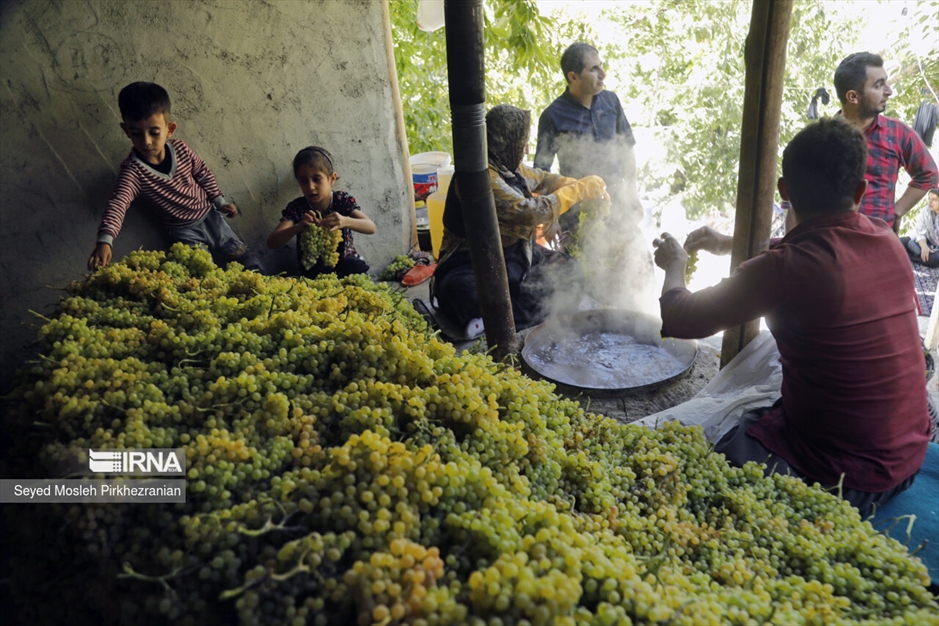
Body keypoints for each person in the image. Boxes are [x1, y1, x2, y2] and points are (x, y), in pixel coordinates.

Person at [653, 117, 931, 517]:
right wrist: (725, 243)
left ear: (784, 191)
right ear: (860, 190)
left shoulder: (785, 268)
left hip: (849, 480)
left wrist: (674, 266)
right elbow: (805, 244)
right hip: (910, 456)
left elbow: (680, 318)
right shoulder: (886, 239)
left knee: (720, 462)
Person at [433, 104, 607, 339]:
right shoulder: (480, 177)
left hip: (517, 259)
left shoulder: (509, 167)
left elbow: (544, 179)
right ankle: (503, 316)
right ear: (504, 141)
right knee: (461, 293)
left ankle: (492, 319)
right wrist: (579, 190)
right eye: (522, 142)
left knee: (570, 271)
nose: (525, 150)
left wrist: (581, 184)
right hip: (470, 264)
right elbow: (530, 213)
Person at [88, 82, 262, 272]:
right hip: (184, 232)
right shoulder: (133, 172)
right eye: (136, 133)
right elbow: (118, 203)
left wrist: (220, 202)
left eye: (154, 133)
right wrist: (105, 240)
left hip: (211, 216)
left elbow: (203, 173)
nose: (146, 141)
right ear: (126, 130)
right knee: (204, 271)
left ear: (169, 129)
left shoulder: (181, 149)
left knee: (242, 255)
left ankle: (266, 283)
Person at [534, 42, 641, 228]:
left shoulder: (611, 101)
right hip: (577, 215)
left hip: (619, 208)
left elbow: (627, 150)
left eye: (601, 65)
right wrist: (551, 219)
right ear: (573, 77)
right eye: (594, 69)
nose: (603, 73)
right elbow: (541, 173)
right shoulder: (552, 116)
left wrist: (631, 193)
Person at [833, 52, 938, 232]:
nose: (889, 91)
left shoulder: (898, 133)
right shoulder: (822, 139)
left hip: (878, 242)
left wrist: (898, 211)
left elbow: (928, 174)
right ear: (853, 97)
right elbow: (796, 198)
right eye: (879, 85)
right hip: (830, 245)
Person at [267, 146, 375, 279]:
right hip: (314, 271)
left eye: (317, 179)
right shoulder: (298, 207)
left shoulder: (341, 200)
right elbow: (272, 242)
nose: (310, 187)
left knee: (354, 265)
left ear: (332, 179)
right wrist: (297, 227)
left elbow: (370, 227)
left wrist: (345, 221)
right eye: (303, 181)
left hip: (346, 266)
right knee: (313, 272)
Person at [899, 188, 939, 268]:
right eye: (929, 198)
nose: (930, 202)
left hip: (936, 248)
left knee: (936, 259)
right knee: (898, 242)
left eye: (934, 199)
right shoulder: (925, 211)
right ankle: (914, 253)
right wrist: (924, 247)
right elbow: (919, 231)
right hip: (924, 241)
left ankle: (906, 255)